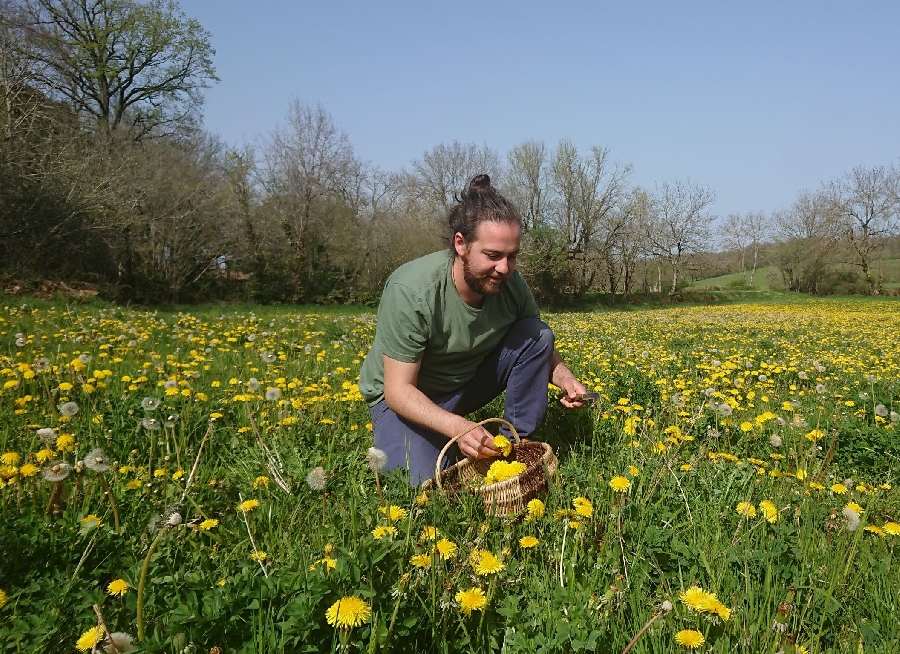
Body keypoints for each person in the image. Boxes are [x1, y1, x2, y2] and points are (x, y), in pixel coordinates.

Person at [358, 174, 588, 485]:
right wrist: (457, 427)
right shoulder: (412, 291)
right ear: (461, 244)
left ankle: (516, 445)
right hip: (405, 398)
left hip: (465, 386)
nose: (504, 268)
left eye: (512, 256)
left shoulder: (510, 285)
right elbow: (398, 391)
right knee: (423, 484)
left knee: (537, 331)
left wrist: (564, 377)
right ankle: (440, 439)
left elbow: (537, 344)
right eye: (493, 255)